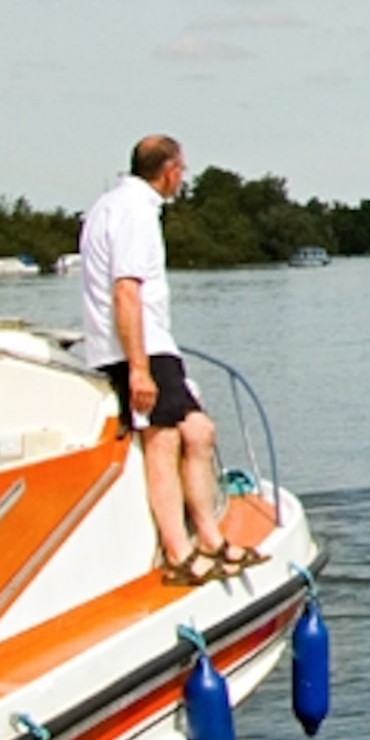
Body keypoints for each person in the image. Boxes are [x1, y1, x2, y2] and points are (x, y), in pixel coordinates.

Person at [80, 134, 239, 582]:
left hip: (153, 345)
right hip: (139, 347)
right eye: (181, 170)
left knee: (199, 431)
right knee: (162, 439)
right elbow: (125, 291)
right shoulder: (133, 213)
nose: (182, 178)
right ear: (169, 170)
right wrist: (138, 369)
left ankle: (210, 536)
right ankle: (178, 550)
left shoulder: (112, 206)